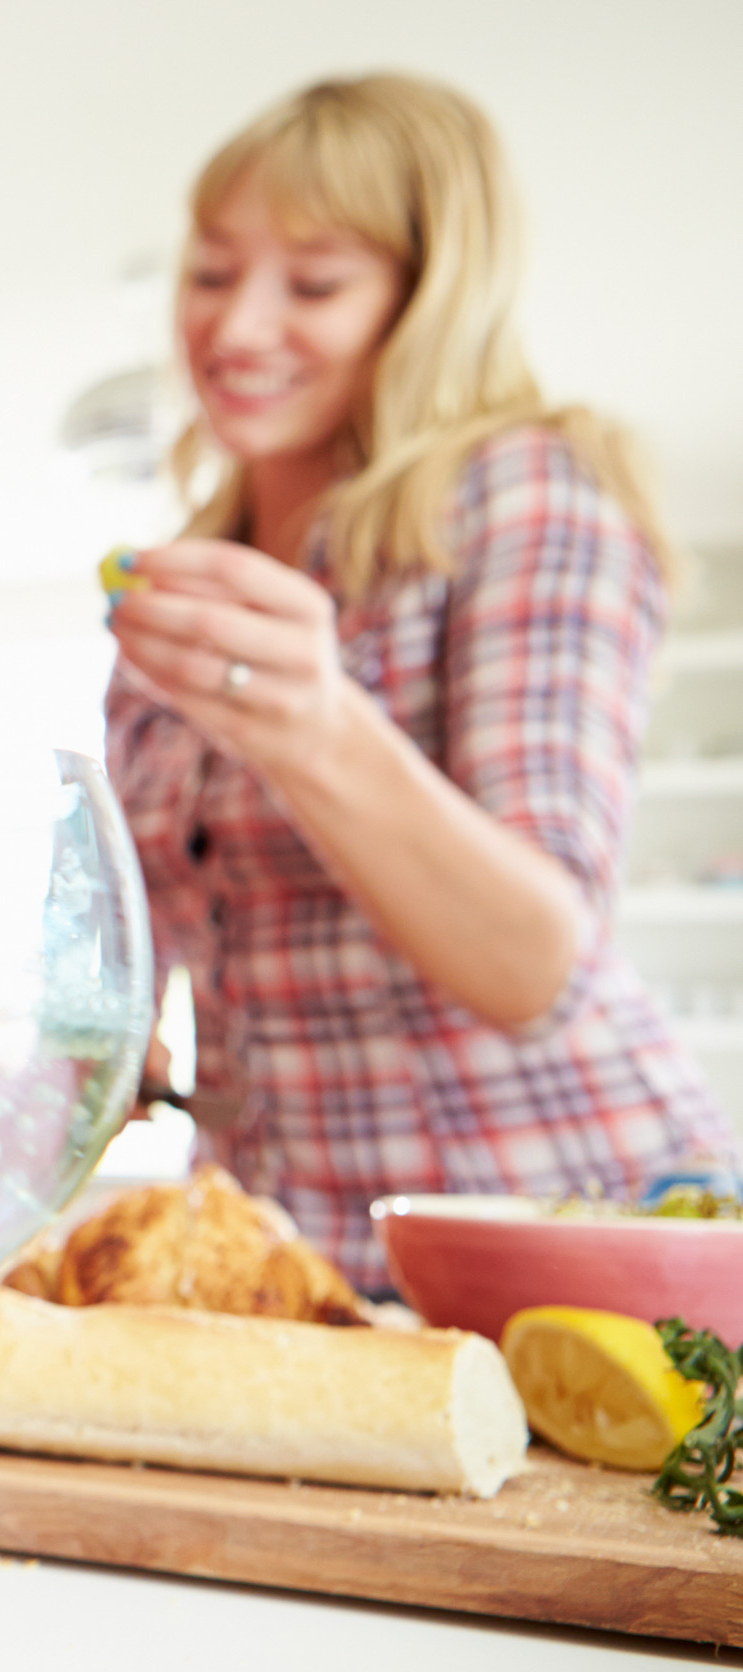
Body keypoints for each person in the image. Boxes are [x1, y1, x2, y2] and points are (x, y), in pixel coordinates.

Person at [104, 75, 736, 1288]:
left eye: (317, 283)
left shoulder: (526, 495)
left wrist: (318, 729)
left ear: (426, 297)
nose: (236, 330)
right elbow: (159, 973)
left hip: (560, 1226)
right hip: (291, 1259)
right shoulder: (194, 574)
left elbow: (538, 963)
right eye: (212, 271)